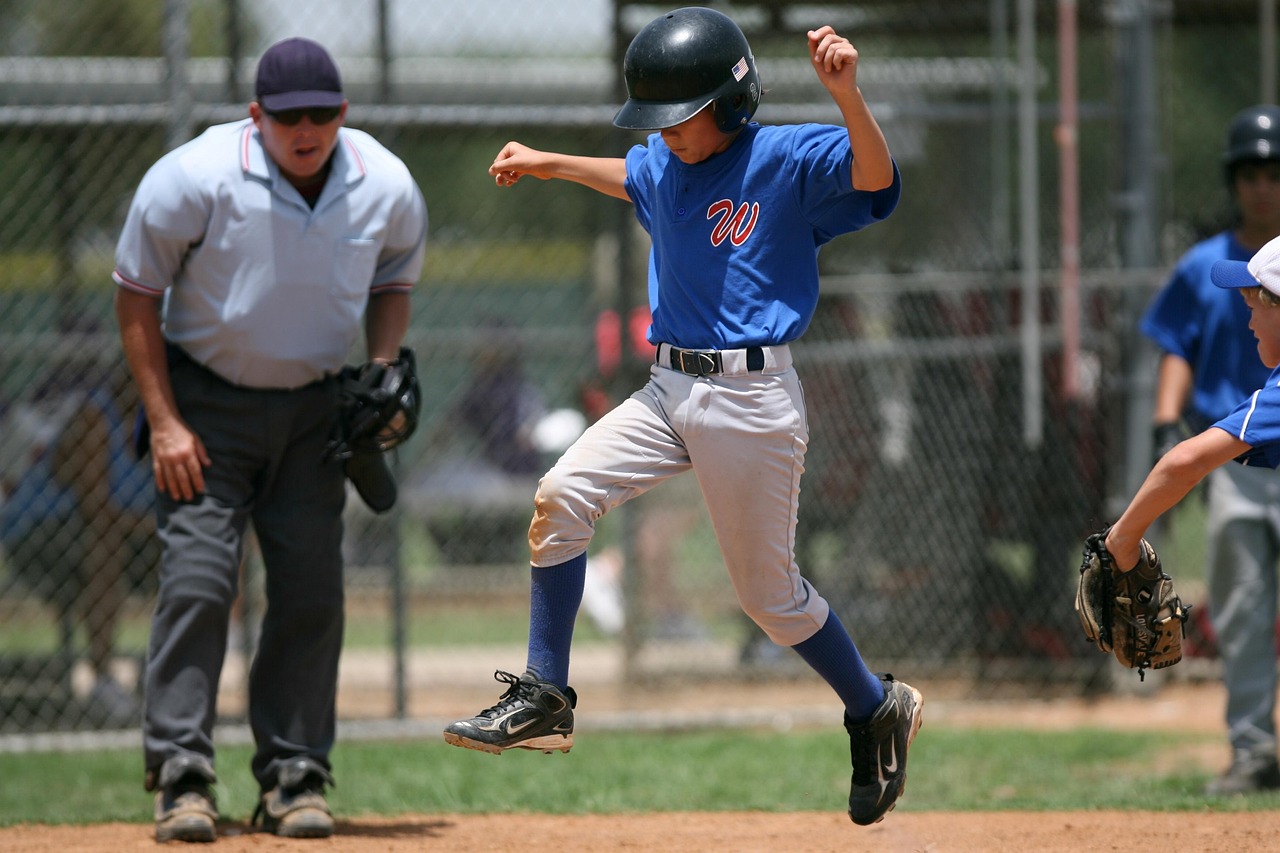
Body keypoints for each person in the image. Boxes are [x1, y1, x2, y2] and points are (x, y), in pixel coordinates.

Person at [441, 8, 922, 826]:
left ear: (731, 103)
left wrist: (847, 96)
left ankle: (874, 703)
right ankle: (547, 692)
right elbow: (627, 172)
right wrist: (547, 162)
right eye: (656, 119)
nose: (664, 133)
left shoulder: (783, 157)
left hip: (753, 400)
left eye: (680, 116)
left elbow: (874, 180)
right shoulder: (664, 163)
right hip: (666, 390)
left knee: (769, 598)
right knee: (561, 495)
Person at [112, 37, 427, 842]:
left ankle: (294, 773)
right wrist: (164, 421)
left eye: (321, 113)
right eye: (288, 116)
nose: (306, 128)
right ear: (257, 115)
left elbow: (394, 277)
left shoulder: (384, 183)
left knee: (311, 591)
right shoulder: (194, 177)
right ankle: (181, 773)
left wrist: (380, 367)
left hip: (315, 412)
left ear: (343, 112)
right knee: (199, 581)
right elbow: (137, 295)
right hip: (206, 408)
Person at [1138, 104, 1280, 795]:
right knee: (1242, 608)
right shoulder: (1206, 265)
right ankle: (1253, 748)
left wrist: (1122, 537)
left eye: (1274, 174)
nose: (1263, 187)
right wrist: (1167, 421)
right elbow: (1178, 345)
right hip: (1234, 456)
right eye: (1251, 174)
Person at [0, 355, 155, 728]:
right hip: (41, 536)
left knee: (206, 538)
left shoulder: (163, 425)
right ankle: (101, 680)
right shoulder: (94, 419)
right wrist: (161, 526)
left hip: (129, 535)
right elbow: (98, 512)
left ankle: (164, 669)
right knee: (105, 540)